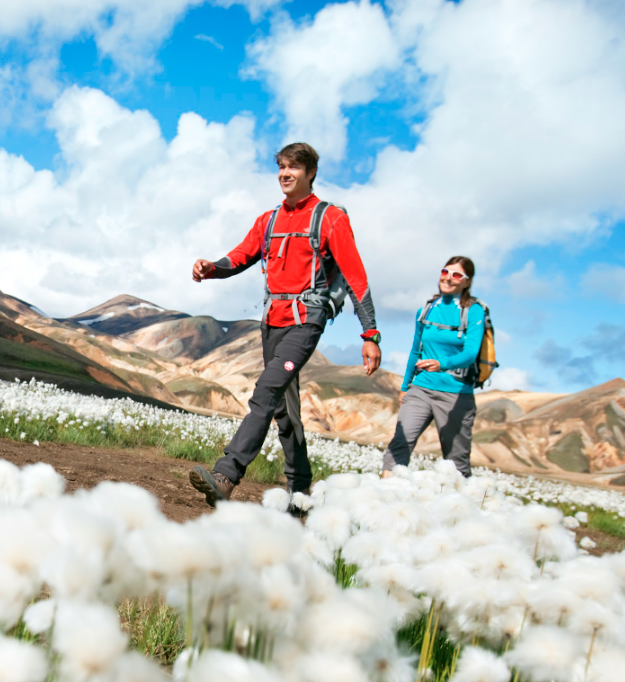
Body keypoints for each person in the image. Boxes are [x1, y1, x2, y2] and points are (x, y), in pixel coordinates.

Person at [187, 142, 381, 510]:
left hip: (306, 321)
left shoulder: (330, 219)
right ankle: (300, 488)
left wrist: (370, 334)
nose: (285, 174)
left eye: (293, 168)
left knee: (265, 393)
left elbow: (356, 277)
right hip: (272, 321)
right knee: (283, 409)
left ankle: (227, 475)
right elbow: (242, 254)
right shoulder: (269, 220)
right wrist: (212, 267)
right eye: (281, 168)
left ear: (310, 173)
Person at [381, 256, 486, 478]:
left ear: (467, 282)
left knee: (456, 461)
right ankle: (385, 498)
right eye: (445, 272)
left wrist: (442, 364)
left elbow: (470, 354)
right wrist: (405, 385)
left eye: (457, 275)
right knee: (399, 444)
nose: (449, 278)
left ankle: (457, 509)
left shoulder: (474, 311)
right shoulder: (426, 310)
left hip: (456, 393)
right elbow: (415, 351)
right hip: (420, 389)